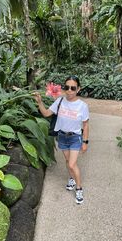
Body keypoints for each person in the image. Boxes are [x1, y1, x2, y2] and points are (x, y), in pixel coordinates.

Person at [35, 76, 89, 204]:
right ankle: (71, 178)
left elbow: (86, 125)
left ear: (78, 89)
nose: (69, 90)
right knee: (67, 160)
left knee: (72, 164)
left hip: (75, 137)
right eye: (66, 87)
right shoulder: (59, 101)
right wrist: (39, 102)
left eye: (73, 88)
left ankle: (79, 188)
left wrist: (85, 142)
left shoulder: (82, 106)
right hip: (62, 137)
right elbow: (47, 113)